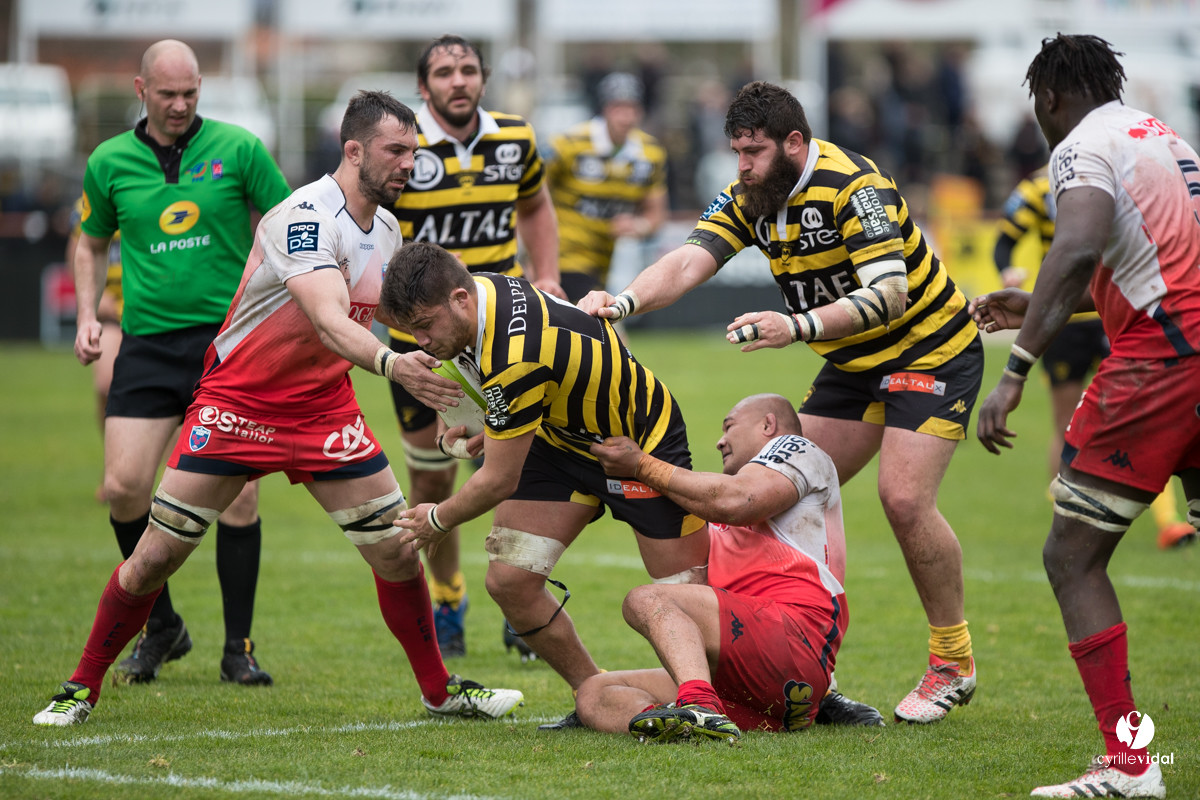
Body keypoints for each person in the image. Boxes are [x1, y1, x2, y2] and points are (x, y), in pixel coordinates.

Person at [33, 90, 523, 728]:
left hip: (324, 412)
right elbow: (326, 318)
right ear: (354, 150)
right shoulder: (305, 217)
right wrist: (390, 365)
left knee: (399, 551)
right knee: (156, 554)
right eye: (396, 151)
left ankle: (439, 692)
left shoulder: (390, 227)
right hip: (241, 405)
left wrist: (472, 399)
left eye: (414, 151)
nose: (411, 164)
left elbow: (412, 329)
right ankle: (80, 687)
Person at [579, 80, 981, 726]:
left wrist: (795, 328)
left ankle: (951, 660)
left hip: (927, 350)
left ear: (795, 144)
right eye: (736, 151)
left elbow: (890, 295)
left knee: (903, 497)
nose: (742, 166)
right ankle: (810, 674)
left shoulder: (855, 187)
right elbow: (687, 262)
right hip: (852, 364)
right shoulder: (752, 197)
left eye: (754, 152)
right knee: (773, 495)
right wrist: (620, 302)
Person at [971, 34, 1198, 799]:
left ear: (1051, 99)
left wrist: (1014, 372)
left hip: (1162, 363)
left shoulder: (1079, 145)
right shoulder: (1163, 137)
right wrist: (1038, 310)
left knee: (1072, 555)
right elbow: (1144, 263)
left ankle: (1130, 765)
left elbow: (1075, 249)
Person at [383, 241, 710, 728]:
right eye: (410, 332)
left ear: (459, 299)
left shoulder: (515, 352)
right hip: (558, 442)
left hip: (639, 441)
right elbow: (482, 393)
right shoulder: (481, 292)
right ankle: (594, 692)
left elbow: (497, 480)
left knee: (689, 598)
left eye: (425, 327)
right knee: (510, 581)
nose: (422, 342)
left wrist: (436, 518)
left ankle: (775, 691)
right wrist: (468, 426)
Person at [71, 39, 291, 687]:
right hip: (145, 344)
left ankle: (238, 648)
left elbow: (286, 224)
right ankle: (162, 624)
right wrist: (89, 314)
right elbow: (89, 246)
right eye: (167, 94)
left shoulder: (239, 148)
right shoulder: (109, 161)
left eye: (190, 93)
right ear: (141, 90)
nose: (179, 105)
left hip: (228, 347)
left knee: (242, 498)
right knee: (124, 488)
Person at [384, 34, 563, 658]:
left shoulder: (514, 137)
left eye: (466, 70)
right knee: (433, 478)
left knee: (512, 472)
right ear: (423, 84)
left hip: (503, 333)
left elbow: (537, 205)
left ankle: (520, 602)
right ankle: (450, 596)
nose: (456, 81)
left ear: (483, 78)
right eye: (443, 72)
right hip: (429, 343)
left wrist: (547, 276)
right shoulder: (404, 152)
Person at [576, 393, 848, 743]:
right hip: (757, 687)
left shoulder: (797, 449)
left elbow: (736, 500)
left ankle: (697, 704)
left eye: (729, 426)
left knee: (646, 600)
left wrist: (642, 464)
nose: (720, 440)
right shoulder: (718, 518)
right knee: (594, 692)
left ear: (768, 424)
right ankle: (681, 724)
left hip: (794, 638)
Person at [994, 167, 1195, 550]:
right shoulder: (1038, 188)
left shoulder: (1120, 180)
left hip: (1115, 311)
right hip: (1064, 319)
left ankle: (1168, 521)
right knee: (1065, 420)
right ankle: (1066, 515)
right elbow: (1003, 241)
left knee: (1152, 416)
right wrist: (1009, 271)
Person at [545, 71, 668, 303]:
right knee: (603, 326)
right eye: (618, 108)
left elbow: (656, 215)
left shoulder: (651, 153)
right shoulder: (568, 144)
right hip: (566, 255)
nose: (626, 116)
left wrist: (637, 225)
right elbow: (532, 194)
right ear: (604, 109)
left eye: (633, 108)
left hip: (612, 261)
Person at [65, 197, 122, 503]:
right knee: (104, 383)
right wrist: (94, 301)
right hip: (113, 312)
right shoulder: (87, 204)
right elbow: (77, 253)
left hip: (154, 310)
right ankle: (113, 465)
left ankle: (152, 474)